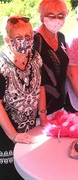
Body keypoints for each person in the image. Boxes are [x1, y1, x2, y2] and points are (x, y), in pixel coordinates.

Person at [0, 16, 47, 180]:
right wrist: (13, 135)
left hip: (30, 129)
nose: (24, 42)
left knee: (29, 171)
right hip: (6, 135)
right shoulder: (1, 64)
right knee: (9, 175)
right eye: (18, 38)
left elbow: (41, 86)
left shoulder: (36, 57)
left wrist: (43, 117)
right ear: (7, 39)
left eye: (28, 37)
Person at [34, 0, 69, 115]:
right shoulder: (35, 39)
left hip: (60, 104)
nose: (56, 19)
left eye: (60, 15)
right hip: (41, 109)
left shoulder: (61, 37)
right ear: (42, 16)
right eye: (51, 15)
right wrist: (42, 112)